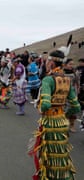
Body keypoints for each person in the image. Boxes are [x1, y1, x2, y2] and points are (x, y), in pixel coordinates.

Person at [28, 49, 81, 180]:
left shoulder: (48, 80)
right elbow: (76, 106)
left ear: (52, 63)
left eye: (48, 61)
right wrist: (64, 114)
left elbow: (45, 104)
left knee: (48, 154)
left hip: (50, 122)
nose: (46, 63)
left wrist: (40, 108)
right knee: (60, 154)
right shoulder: (66, 80)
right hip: (62, 122)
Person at [63, 58, 79, 132]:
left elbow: (77, 83)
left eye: (73, 64)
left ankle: (72, 125)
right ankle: (64, 124)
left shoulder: (75, 73)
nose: (71, 66)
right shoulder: (61, 73)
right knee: (64, 110)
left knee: (73, 110)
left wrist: (77, 91)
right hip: (63, 94)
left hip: (73, 94)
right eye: (70, 64)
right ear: (65, 65)